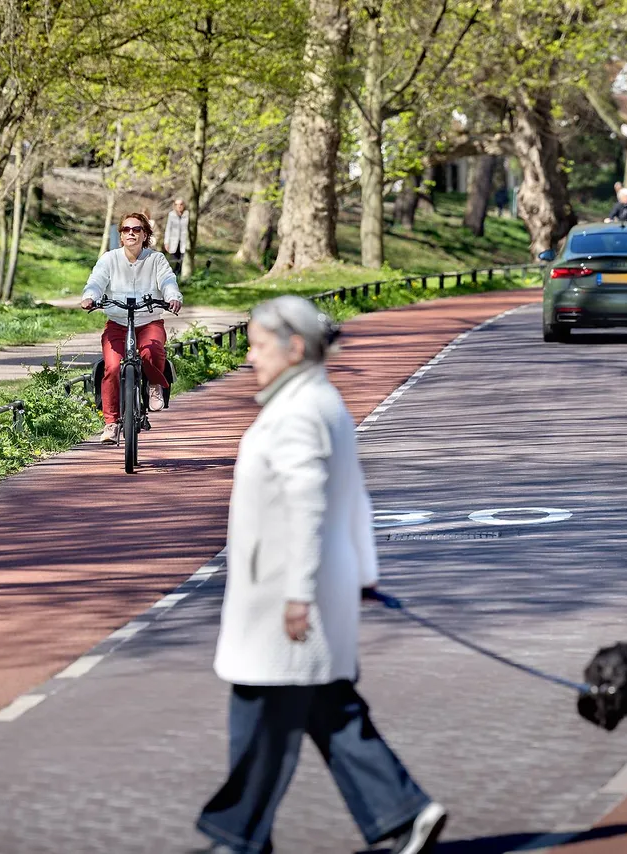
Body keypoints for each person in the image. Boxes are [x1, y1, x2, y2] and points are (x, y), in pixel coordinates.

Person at [195, 295, 446, 854]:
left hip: (283, 597)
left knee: (259, 715)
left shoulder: (297, 412)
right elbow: (354, 498)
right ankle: (405, 812)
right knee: (329, 709)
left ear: (296, 347)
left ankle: (237, 838)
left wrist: (297, 596)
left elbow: (310, 505)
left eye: (259, 347)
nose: (250, 359)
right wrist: (362, 573)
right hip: (312, 587)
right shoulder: (320, 401)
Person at [80, 212, 183, 445]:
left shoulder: (156, 260)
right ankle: (112, 423)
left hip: (149, 320)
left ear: (145, 234)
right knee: (113, 367)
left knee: (152, 350)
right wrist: (90, 297)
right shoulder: (109, 259)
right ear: (121, 234)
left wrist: (173, 297)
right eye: (126, 229)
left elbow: (168, 281)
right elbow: (96, 281)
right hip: (117, 322)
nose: (131, 233)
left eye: (136, 229)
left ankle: (154, 384)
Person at [164, 198, 190, 275]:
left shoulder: (188, 214)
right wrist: (166, 242)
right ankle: (173, 275)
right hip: (174, 241)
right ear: (174, 206)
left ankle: (182, 276)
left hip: (184, 241)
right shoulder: (171, 215)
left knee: (183, 260)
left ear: (184, 205)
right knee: (174, 260)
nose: (179, 206)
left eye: (181, 204)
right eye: (177, 204)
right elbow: (168, 229)